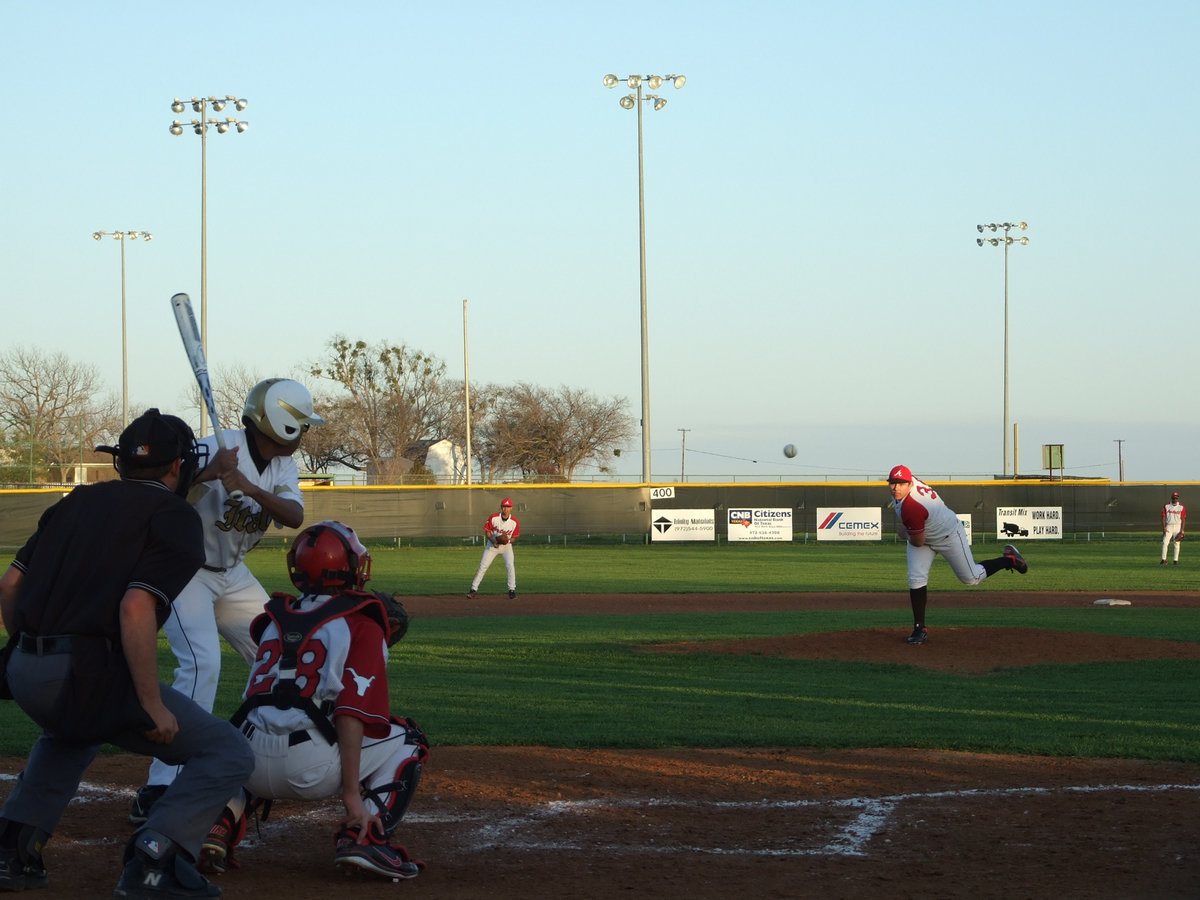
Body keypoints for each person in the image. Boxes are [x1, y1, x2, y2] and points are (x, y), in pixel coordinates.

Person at [0, 409, 254, 898]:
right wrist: (151, 704)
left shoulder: (76, 500)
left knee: (73, 729)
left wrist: (26, 649)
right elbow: (135, 608)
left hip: (23, 670)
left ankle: (12, 847)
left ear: (121, 463)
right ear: (178, 467)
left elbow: (10, 584)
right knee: (227, 752)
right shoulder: (175, 516)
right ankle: (155, 860)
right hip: (82, 672)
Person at [134, 379, 324, 823]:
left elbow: (294, 517)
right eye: (299, 424)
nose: (304, 432)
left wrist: (251, 489)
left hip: (233, 577)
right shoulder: (211, 449)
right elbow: (159, 496)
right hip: (187, 572)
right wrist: (208, 473)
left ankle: (265, 753)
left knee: (281, 654)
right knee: (202, 664)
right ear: (278, 424)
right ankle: (160, 784)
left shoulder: (281, 467)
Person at [197, 521, 428, 881]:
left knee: (254, 723)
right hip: (310, 770)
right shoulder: (363, 623)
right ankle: (362, 836)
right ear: (350, 568)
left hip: (247, 764)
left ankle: (219, 819)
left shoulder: (271, 617)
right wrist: (351, 793)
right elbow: (353, 712)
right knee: (410, 739)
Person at [887, 464, 1028, 644]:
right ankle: (919, 628)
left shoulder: (912, 506)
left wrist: (905, 534)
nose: (896, 487)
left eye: (901, 483)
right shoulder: (904, 492)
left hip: (948, 536)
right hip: (926, 534)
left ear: (910, 483)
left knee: (971, 578)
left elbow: (917, 541)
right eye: (893, 483)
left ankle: (1009, 559)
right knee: (916, 579)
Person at [466, 497, 520, 599]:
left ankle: (512, 590)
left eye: (508, 507)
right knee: (483, 566)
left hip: (506, 547)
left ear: (511, 508)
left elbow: (514, 537)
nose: (506, 509)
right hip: (492, 545)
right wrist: (494, 541)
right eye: (504, 506)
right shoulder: (494, 518)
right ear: (501, 507)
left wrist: (507, 541)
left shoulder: (514, 522)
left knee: (510, 566)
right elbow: (488, 532)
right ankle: (473, 590)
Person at [1161, 491, 1186, 565]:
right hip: (1169, 526)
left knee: (1177, 543)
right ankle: (1163, 559)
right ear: (1171, 498)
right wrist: (1164, 527)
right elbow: (1163, 517)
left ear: (1178, 498)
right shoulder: (1167, 506)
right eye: (1174, 498)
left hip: (1178, 526)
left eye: (1176, 498)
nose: (1175, 499)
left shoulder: (1181, 507)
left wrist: (1182, 530)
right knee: (1165, 542)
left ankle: (1175, 560)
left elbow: (1183, 519)